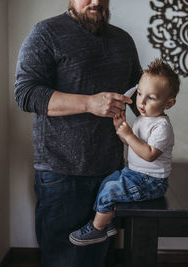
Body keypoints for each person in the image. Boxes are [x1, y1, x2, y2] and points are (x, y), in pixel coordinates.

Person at [14, 0, 142, 266]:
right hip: (61, 176)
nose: (96, 2)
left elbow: (139, 93)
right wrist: (89, 102)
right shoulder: (46, 33)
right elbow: (25, 94)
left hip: (112, 174)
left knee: (101, 259)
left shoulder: (123, 40)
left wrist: (159, 100)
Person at [69, 59, 180, 246]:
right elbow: (132, 145)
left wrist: (128, 135)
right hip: (134, 173)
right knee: (107, 181)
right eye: (139, 94)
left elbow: (149, 154)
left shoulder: (162, 126)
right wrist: (120, 129)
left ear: (168, 103)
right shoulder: (142, 119)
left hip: (151, 181)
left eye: (151, 98)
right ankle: (108, 223)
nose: (141, 102)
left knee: (110, 191)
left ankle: (96, 229)